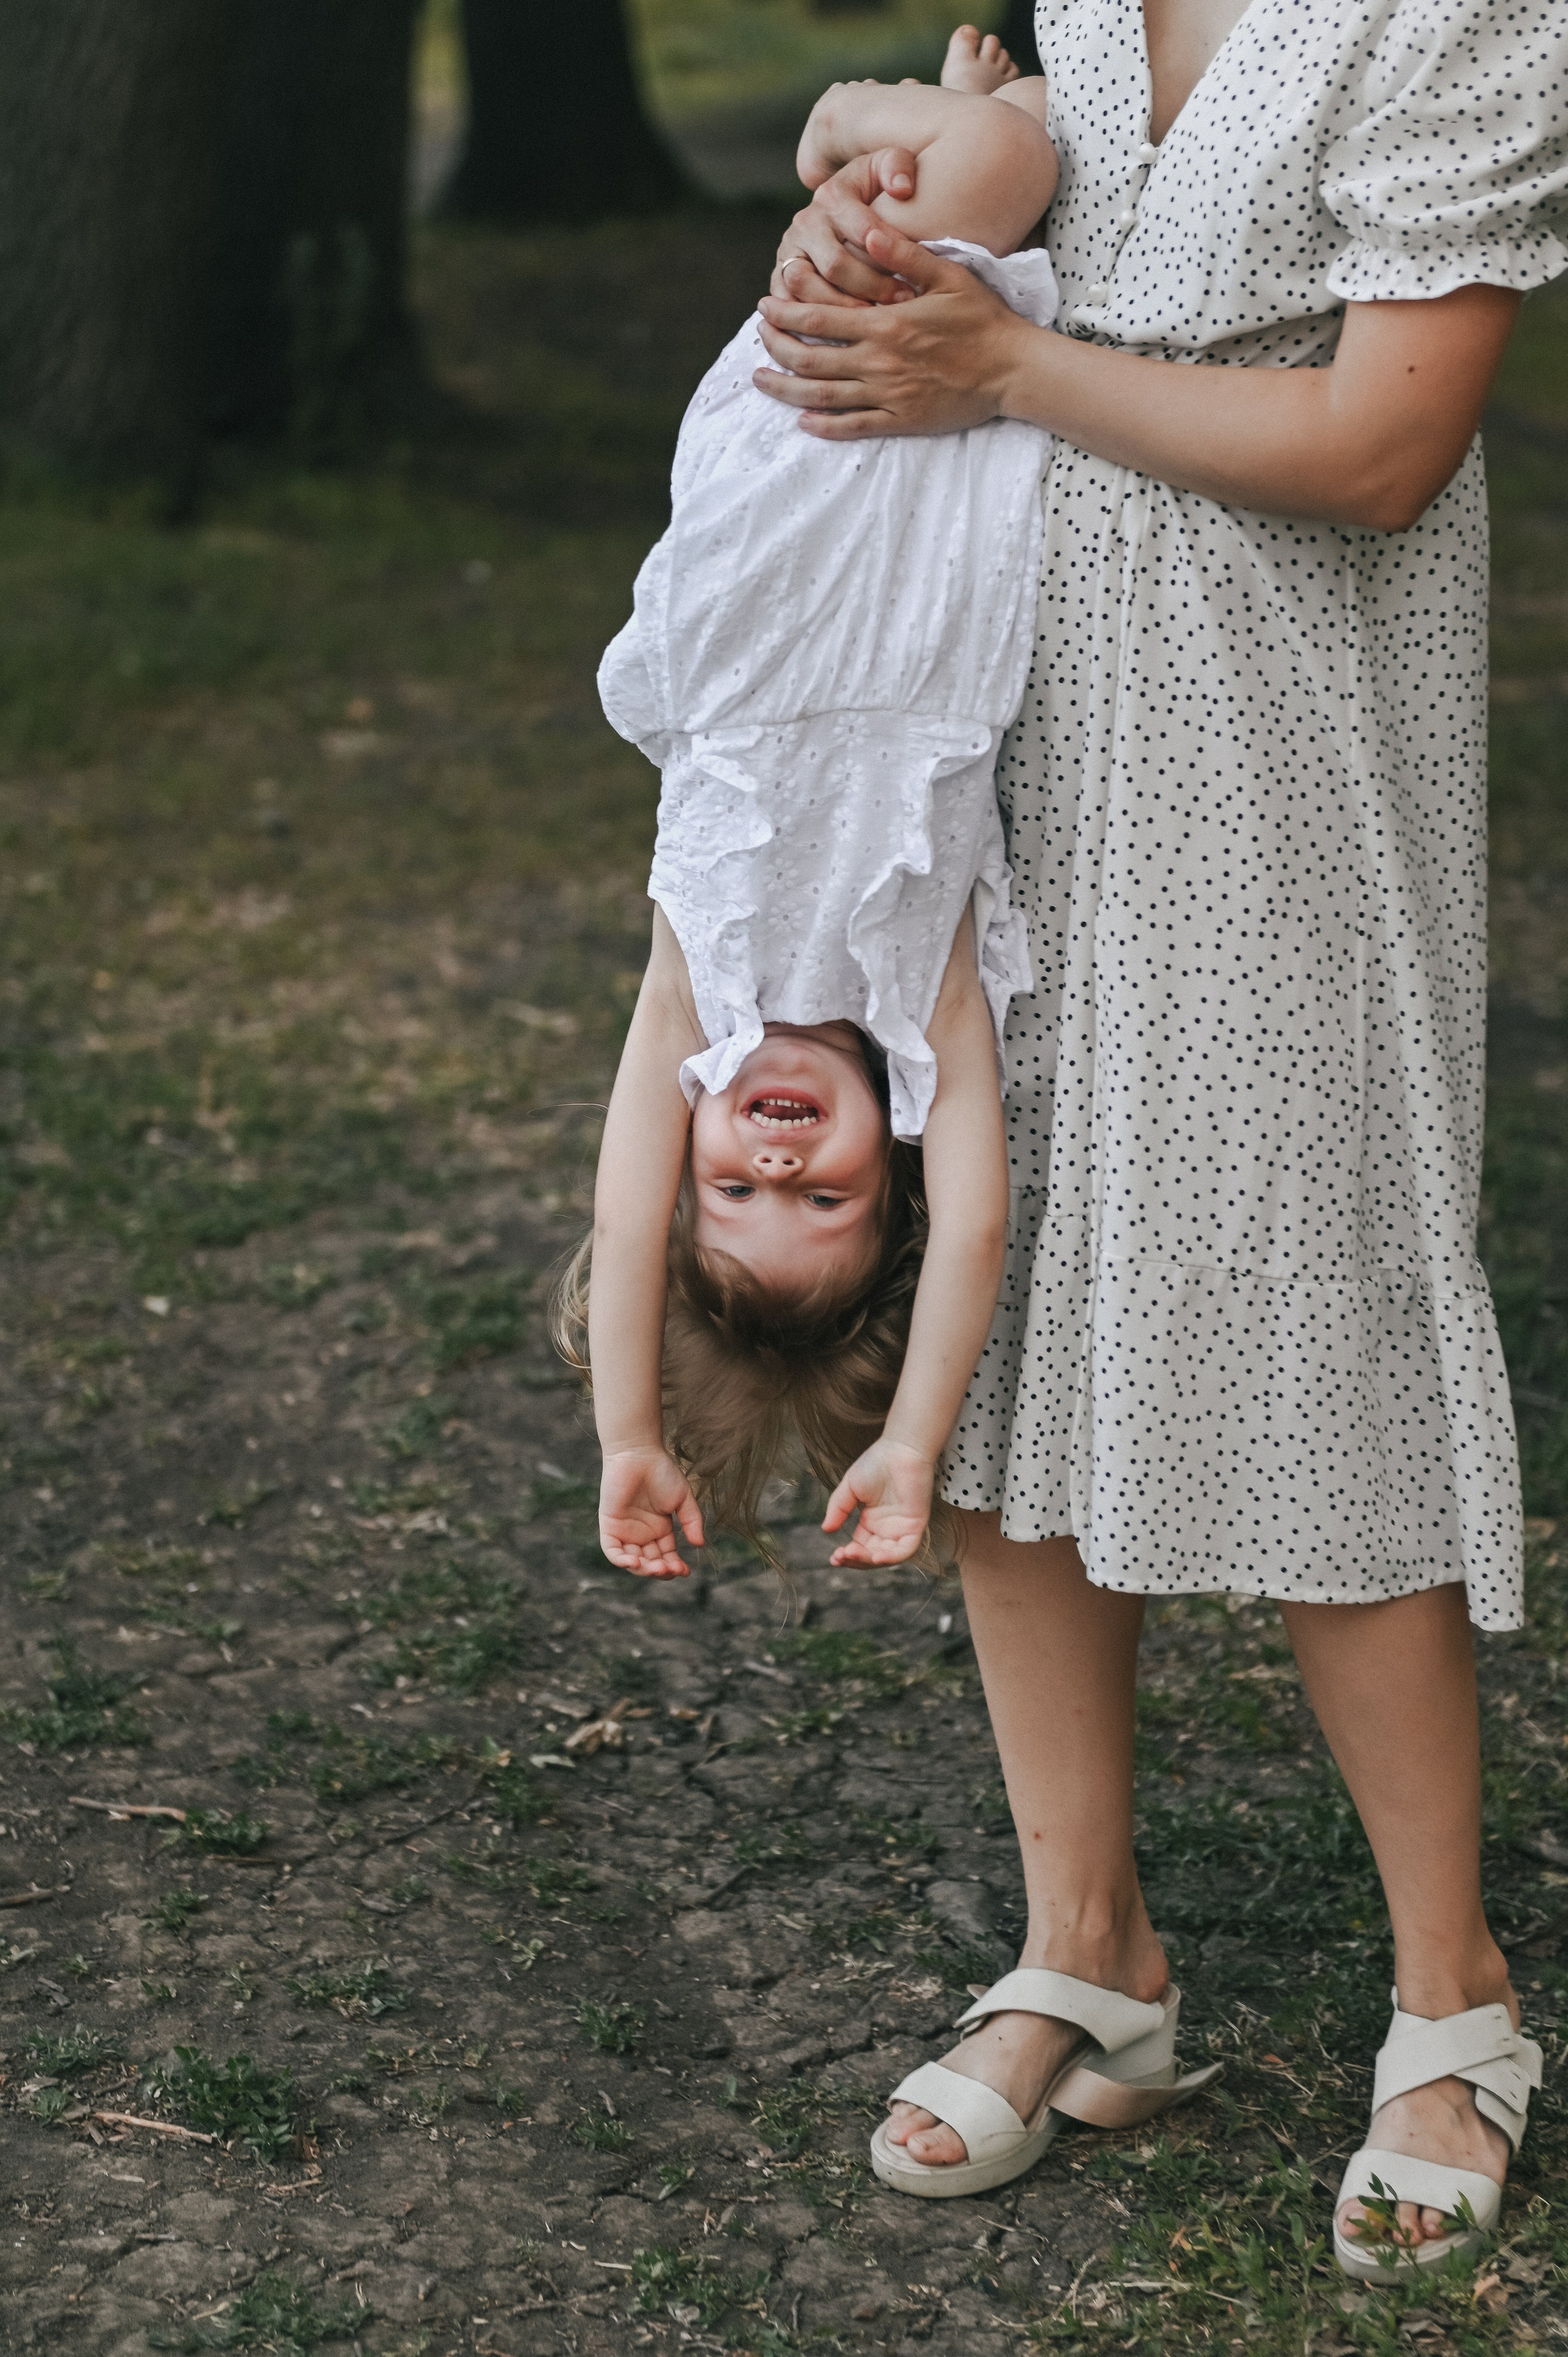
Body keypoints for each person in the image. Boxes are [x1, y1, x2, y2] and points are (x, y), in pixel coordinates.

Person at [750, 2, 1567, 2280]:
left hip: (1284, 740)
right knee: (1011, 1315)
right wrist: (870, 242)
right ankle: (1089, 1946)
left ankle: (1451, 1995)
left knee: (1317, 1308)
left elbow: (1391, 436)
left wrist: (1004, 375)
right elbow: (981, 193)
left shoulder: (1462, 12)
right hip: (1016, 720)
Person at [556, 61, 1065, 1584]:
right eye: (823, 1196)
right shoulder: (927, 1013)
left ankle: (843, 125)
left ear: (689, 1154)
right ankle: (904, 128)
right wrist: (909, 1444)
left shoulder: (694, 1002)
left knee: (990, 161)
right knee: (1014, 139)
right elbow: (973, 1231)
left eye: (735, 1186)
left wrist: (624, 1434)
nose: (775, 1159)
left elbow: (620, 1210)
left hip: (780, 495)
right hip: (920, 521)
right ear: (890, 1168)